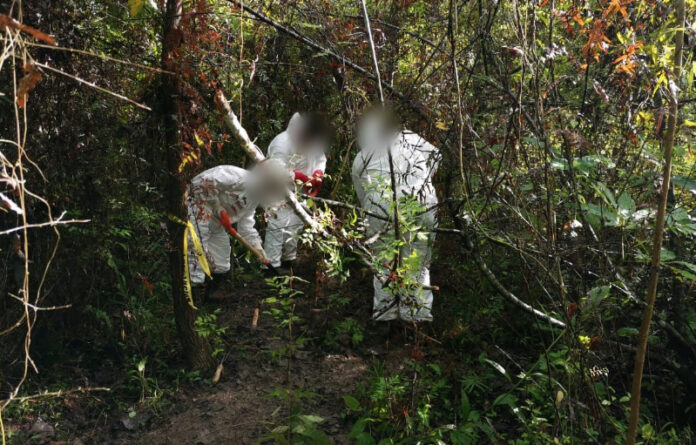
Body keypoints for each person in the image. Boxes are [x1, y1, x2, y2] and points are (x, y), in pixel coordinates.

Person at [352, 109, 440, 322]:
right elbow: (436, 158)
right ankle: (417, 318)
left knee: (384, 263)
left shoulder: (363, 157)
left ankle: (387, 316)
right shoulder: (414, 143)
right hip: (421, 205)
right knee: (416, 262)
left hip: (381, 210)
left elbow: (362, 194)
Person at [187, 159, 291, 300]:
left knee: (222, 260)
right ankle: (191, 299)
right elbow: (202, 182)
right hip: (197, 214)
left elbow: (246, 226)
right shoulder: (237, 177)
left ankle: (209, 295)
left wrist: (257, 247)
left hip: (215, 225)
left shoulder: (254, 198)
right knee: (196, 253)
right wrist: (216, 206)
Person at [262, 112, 328, 274]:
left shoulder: (313, 139)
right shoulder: (282, 143)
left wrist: (318, 174)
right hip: (276, 190)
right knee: (277, 225)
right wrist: (300, 177)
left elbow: (320, 158)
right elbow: (275, 169)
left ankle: (288, 260)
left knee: (295, 224)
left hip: (301, 191)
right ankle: (271, 267)